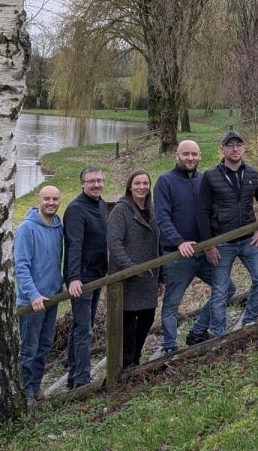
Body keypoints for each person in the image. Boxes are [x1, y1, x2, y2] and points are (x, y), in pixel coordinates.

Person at [154, 140, 235, 351]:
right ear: (176, 155)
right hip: (177, 256)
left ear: (200, 156)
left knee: (228, 289)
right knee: (172, 304)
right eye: (185, 154)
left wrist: (213, 242)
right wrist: (179, 242)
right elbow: (162, 218)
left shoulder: (204, 180)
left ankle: (198, 330)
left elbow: (212, 213)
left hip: (204, 251)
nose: (190, 158)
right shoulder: (165, 181)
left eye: (194, 154)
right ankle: (170, 346)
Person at [198, 131, 258, 335]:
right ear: (222, 149)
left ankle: (249, 322)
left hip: (249, 240)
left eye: (238, 144)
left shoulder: (252, 174)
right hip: (222, 243)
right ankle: (218, 334)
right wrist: (208, 245)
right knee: (220, 290)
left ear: (244, 148)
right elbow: (202, 212)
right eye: (230, 145)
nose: (235, 149)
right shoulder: (210, 176)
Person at [107, 170, 165, 368]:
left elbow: (160, 244)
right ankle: (125, 363)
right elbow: (114, 243)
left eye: (145, 183)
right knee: (128, 323)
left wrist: (161, 276)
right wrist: (132, 268)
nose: (142, 187)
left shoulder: (153, 209)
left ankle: (135, 358)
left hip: (149, 276)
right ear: (130, 187)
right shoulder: (120, 210)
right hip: (128, 277)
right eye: (137, 183)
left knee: (147, 318)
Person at [14, 185, 64, 401]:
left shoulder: (58, 226)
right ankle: (26, 393)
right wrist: (33, 295)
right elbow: (21, 266)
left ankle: (37, 388)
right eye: (46, 199)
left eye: (55, 199)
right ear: (38, 200)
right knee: (29, 349)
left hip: (51, 297)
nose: (51, 202)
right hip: (31, 302)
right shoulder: (26, 229)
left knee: (44, 346)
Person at [64, 167, 108, 389]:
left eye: (99, 180)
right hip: (82, 277)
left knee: (82, 324)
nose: (96, 185)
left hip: (98, 273)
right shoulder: (75, 209)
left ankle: (74, 373)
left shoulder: (100, 204)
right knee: (84, 328)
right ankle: (82, 378)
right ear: (82, 183)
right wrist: (73, 277)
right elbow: (74, 245)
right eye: (91, 181)